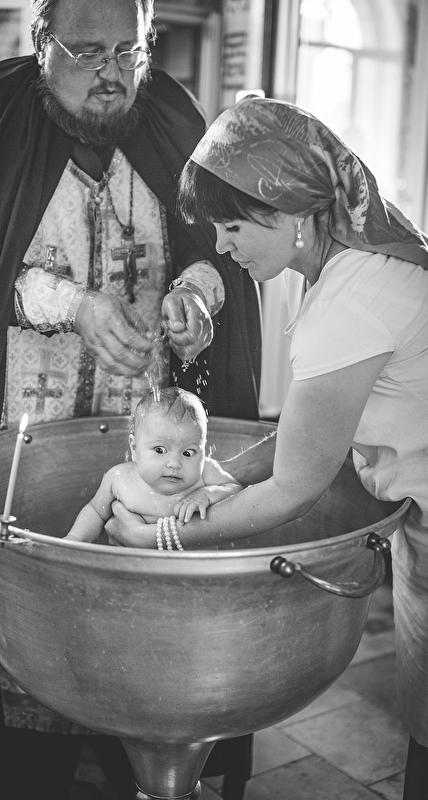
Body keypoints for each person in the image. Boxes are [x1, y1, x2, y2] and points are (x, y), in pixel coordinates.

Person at [0, 1, 261, 798]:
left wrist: (196, 297)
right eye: (88, 50)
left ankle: (141, 750)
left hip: (148, 439)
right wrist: (76, 306)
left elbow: (216, 251)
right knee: (26, 608)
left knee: (141, 612)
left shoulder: (170, 117)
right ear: (42, 44)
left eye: (129, 51)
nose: (111, 73)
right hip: (21, 430)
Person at [105, 96, 428, 800]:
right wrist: (218, 475)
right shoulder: (351, 267)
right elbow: (310, 429)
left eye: (232, 226)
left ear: (290, 212)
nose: (221, 248)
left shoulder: (349, 302)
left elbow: (294, 487)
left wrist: (159, 537)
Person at [67, 387, 242, 543]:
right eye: (160, 450)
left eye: (188, 453)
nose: (174, 463)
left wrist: (207, 494)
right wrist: (75, 539)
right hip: (134, 564)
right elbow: (96, 511)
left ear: (203, 451)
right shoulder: (119, 478)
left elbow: (237, 490)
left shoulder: (206, 473)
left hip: (195, 566)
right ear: (135, 448)